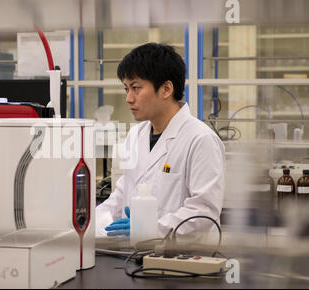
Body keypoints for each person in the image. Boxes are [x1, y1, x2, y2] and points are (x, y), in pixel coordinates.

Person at [95, 43, 225, 239]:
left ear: (166, 89)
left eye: (136, 88)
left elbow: (203, 211)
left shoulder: (201, 140)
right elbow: (121, 194)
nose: (129, 98)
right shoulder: (135, 136)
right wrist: (90, 224)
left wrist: (152, 229)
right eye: (126, 89)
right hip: (135, 256)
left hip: (185, 260)